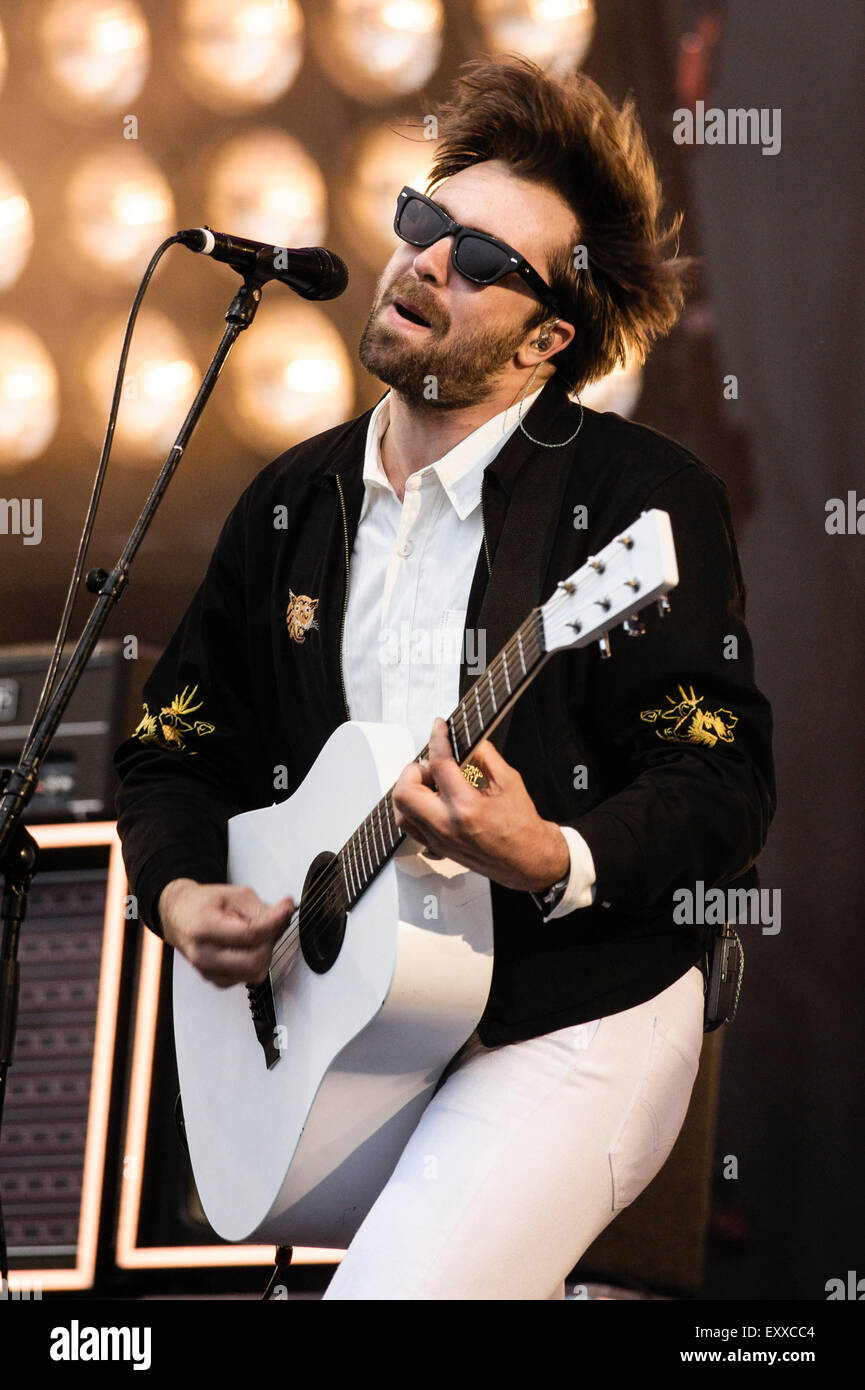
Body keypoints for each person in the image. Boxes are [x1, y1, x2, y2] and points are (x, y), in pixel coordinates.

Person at [113, 54, 775, 1300]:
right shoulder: (289, 505)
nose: (425, 261)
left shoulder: (635, 507)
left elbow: (722, 780)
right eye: (427, 222)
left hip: (580, 1011)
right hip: (363, 1027)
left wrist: (551, 855)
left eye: (482, 260)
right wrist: (178, 889)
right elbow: (172, 745)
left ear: (547, 339)